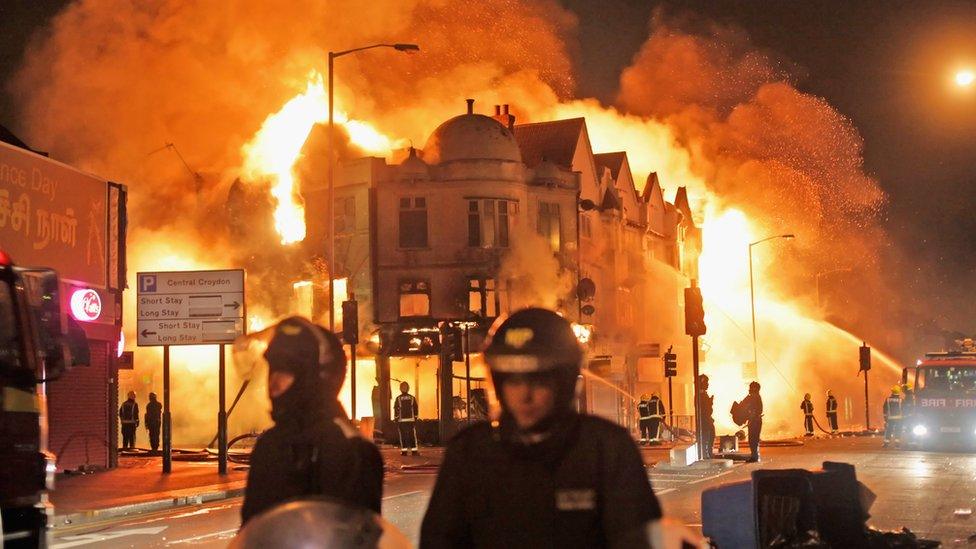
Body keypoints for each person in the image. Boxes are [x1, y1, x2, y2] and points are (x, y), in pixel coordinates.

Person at [420, 308, 663, 548]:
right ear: (498, 382)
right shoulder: (470, 452)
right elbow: (440, 540)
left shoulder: (605, 449)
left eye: (539, 381)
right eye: (514, 381)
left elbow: (637, 538)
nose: (525, 396)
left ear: (565, 382)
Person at [241, 317, 383, 525]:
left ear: (314, 379)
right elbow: (251, 531)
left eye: (286, 372)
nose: (274, 383)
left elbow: (357, 536)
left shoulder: (352, 450)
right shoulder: (269, 445)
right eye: (273, 370)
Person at [394, 381, 420, 456]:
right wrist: (415, 417)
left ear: (400, 389)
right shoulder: (412, 398)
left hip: (401, 420)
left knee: (403, 436)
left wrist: (396, 418)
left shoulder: (398, 398)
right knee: (412, 435)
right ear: (408, 388)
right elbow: (415, 408)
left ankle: (404, 452)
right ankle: (414, 451)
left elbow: (396, 409)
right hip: (411, 420)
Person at [741, 381, 763, 462]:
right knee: (755, 439)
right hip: (756, 420)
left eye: (750, 387)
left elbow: (749, 408)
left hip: (754, 421)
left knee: (752, 439)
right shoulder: (757, 396)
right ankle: (755, 456)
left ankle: (755, 456)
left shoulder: (754, 397)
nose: (749, 389)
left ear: (754, 388)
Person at [699, 375, 715, 459]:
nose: (707, 384)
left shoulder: (703, 394)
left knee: (711, 435)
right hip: (704, 420)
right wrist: (710, 402)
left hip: (707, 418)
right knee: (706, 437)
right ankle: (706, 454)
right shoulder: (700, 395)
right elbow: (704, 409)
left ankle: (708, 453)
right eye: (706, 382)